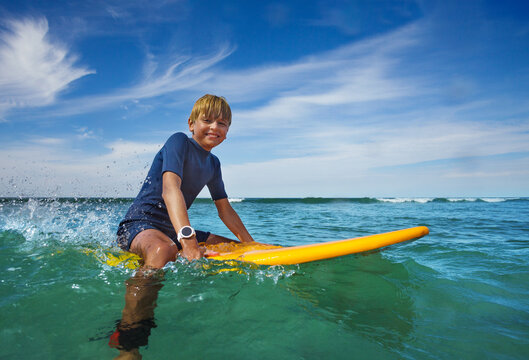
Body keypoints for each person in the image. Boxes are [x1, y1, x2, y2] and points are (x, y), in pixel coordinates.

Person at [116, 94, 256, 269]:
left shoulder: (213, 163)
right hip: (139, 225)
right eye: (207, 120)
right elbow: (170, 189)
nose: (214, 127)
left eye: (221, 123)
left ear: (227, 132)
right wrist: (189, 243)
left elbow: (225, 209)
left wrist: (252, 245)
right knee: (163, 249)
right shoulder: (179, 141)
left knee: (235, 248)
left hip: (173, 231)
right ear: (191, 124)